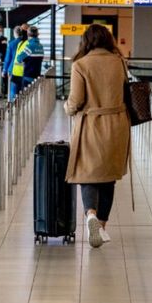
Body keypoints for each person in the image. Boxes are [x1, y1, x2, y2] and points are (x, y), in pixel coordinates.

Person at [64, 24, 130, 248]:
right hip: (117, 123)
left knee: (88, 173)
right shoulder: (119, 62)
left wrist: (68, 108)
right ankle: (101, 225)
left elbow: (76, 100)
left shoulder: (80, 65)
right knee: (108, 175)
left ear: (86, 41)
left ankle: (90, 214)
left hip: (91, 124)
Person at [2, 26, 24, 100]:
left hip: (12, 68)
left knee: (13, 89)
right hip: (23, 68)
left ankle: (12, 103)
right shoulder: (25, 43)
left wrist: (4, 70)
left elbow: (8, 58)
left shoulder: (11, 43)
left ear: (15, 33)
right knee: (22, 89)